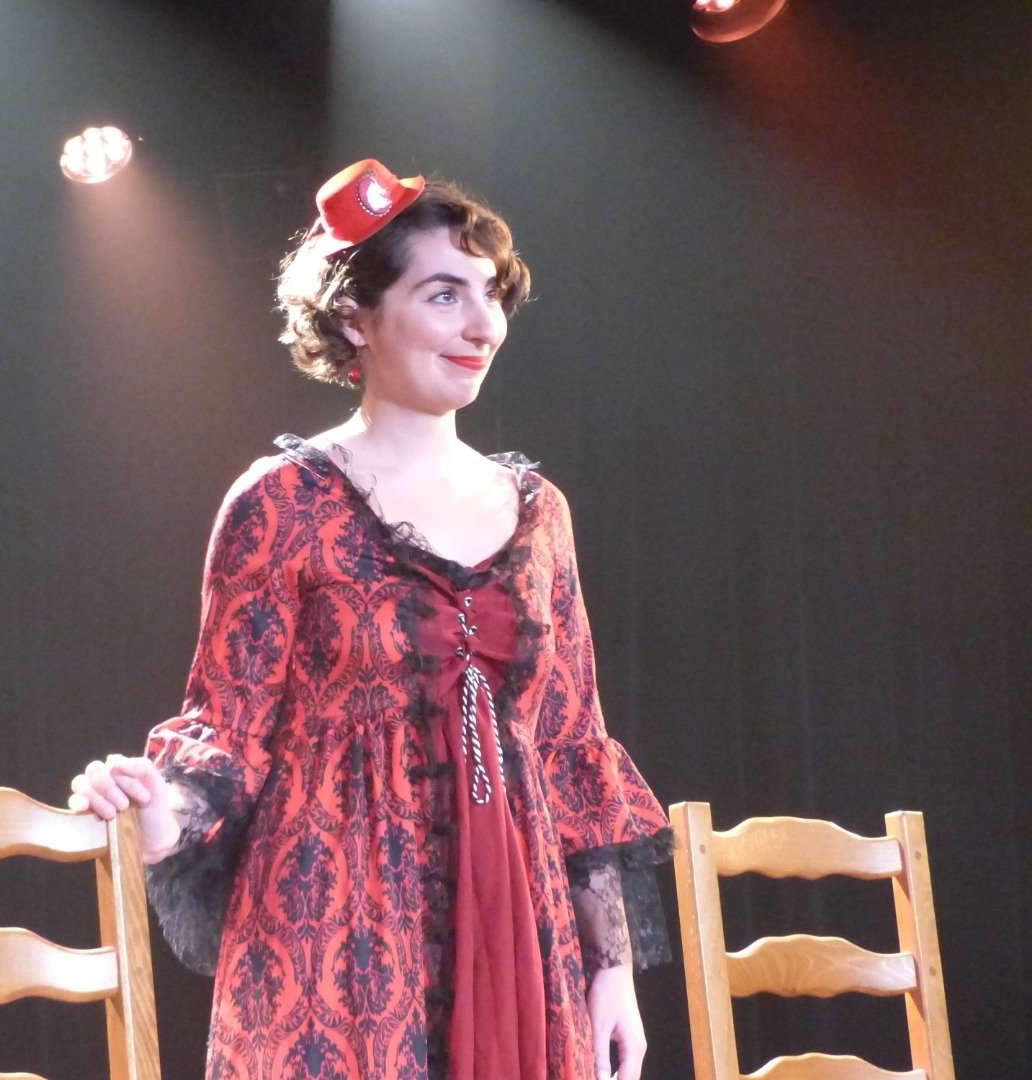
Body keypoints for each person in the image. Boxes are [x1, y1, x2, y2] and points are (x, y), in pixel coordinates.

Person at [69, 159, 672, 1080]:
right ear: (356, 316)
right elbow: (228, 730)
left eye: (491, 294)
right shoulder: (282, 502)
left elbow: (568, 743)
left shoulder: (540, 513)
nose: (483, 325)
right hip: (335, 923)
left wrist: (612, 971)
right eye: (444, 294)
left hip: (519, 924)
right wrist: (159, 811)